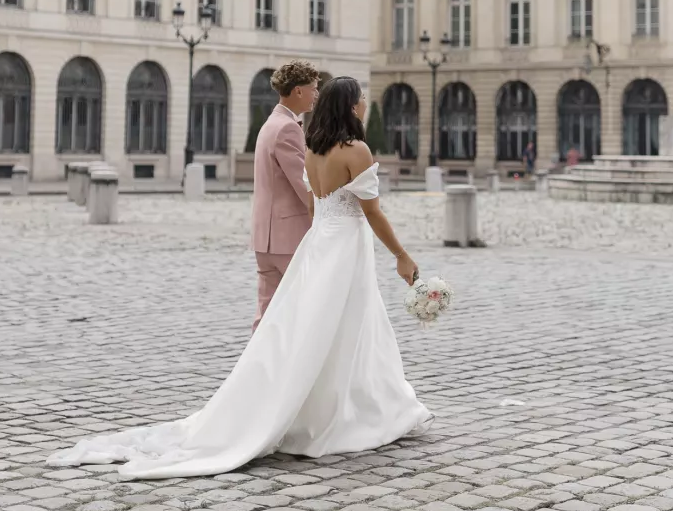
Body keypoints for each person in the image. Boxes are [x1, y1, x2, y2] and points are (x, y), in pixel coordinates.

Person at [48, 76, 431, 478]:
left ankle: (334, 406)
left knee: (314, 329)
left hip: (319, 245)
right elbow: (373, 213)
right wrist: (402, 256)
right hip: (344, 249)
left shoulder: (315, 150)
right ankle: (351, 411)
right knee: (349, 327)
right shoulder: (356, 150)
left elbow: (319, 205)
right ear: (352, 106)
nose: (366, 104)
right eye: (363, 99)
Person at [251, 61, 319, 333]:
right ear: (299, 91)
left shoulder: (271, 123)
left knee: (267, 314)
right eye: (314, 89)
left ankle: (256, 371)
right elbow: (304, 184)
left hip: (265, 238)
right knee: (301, 311)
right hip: (287, 238)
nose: (316, 95)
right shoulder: (288, 128)